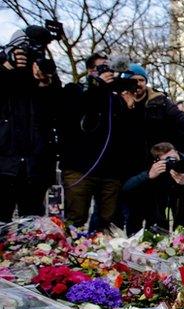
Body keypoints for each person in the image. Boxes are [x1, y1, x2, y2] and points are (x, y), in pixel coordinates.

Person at [58, 54, 143, 230]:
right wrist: (99, 88)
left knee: (107, 222)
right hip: (80, 167)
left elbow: (131, 134)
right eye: (102, 68)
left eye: (109, 69)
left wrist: (130, 108)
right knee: (75, 219)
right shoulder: (75, 90)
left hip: (111, 170)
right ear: (90, 71)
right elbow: (74, 117)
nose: (108, 73)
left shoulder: (117, 97)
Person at [0, 29, 61, 222]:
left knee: (32, 221)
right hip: (5, 161)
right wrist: (8, 67)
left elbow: (58, 112)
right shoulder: (3, 66)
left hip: (36, 162)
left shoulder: (43, 72)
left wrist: (46, 83)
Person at [121, 142, 184, 233]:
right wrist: (148, 175)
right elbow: (126, 189)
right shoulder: (156, 169)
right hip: (162, 223)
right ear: (158, 161)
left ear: (176, 152)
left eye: (174, 158)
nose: (172, 162)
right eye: (167, 160)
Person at [126, 64, 184, 165]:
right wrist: (128, 108)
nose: (138, 84)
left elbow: (179, 116)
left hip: (158, 157)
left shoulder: (160, 101)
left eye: (141, 80)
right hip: (134, 159)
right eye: (133, 81)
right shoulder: (120, 102)